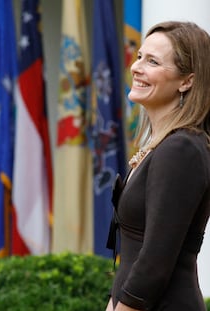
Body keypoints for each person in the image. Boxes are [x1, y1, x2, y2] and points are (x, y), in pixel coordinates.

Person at [106, 21, 210, 311]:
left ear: (186, 81)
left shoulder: (182, 149)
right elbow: (132, 255)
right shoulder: (162, 146)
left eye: (152, 61)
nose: (137, 67)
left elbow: (154, 262)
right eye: (139, 56)